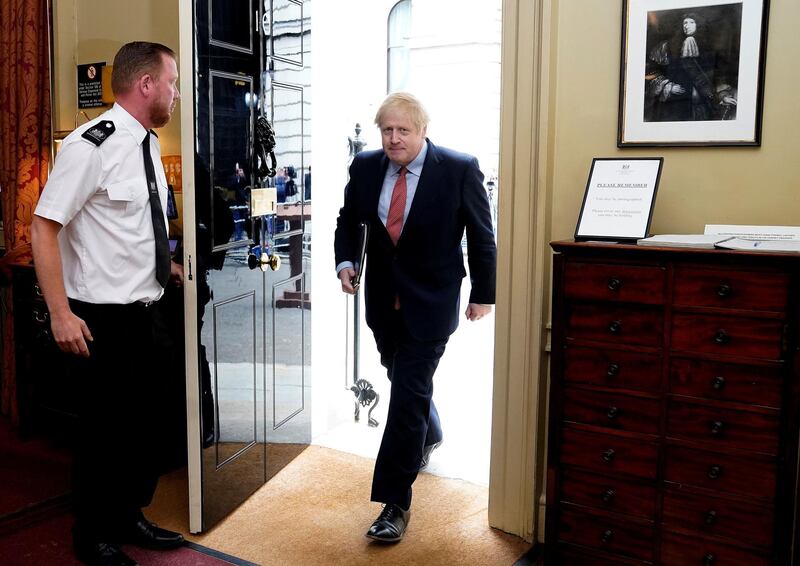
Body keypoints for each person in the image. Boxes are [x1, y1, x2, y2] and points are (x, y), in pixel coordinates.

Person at [31, 41, 185, 566]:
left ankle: (128, 516)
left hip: (149, 311)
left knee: (145, 425)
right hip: (101, 320)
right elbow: (44, 226)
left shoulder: (145, 142)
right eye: (173, 82)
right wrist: (59, 313)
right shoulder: (89, 145)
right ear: (146, 85)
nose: (176, 92)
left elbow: (129, 228)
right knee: (103, 433)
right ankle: (92, 533)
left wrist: (166, 267)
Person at [334, 92, 496, 543]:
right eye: (386, 130)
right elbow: (347, 221)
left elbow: (483, 238)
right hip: (384, 303)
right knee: (405, 380)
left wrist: (484, 293)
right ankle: (432, 431)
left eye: (403, 130)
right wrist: (346, 262)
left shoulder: (460, 168)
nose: (393, 138)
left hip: (432, 301)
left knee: (406, 397)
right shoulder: (366, 167)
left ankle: (394, 503)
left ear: (422, 130)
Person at [645, 12, 737, 122]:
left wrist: (722, 96)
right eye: (685, 23)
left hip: (703, 106)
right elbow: (651, 72)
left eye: (691, 22)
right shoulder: (666, 47)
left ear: (698, 25)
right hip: (674, 106)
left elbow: (715, 79)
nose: (687, 26)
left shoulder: (709, 50)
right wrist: (667, 86)